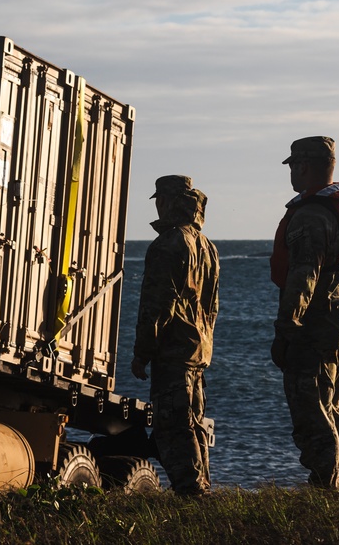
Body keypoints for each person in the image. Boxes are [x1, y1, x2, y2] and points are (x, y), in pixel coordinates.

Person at [269, 136, 339, 489]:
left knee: (312, 412)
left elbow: (303, 279)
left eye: (295, 165)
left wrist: (286, 331)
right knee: (336, 410)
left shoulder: (310, 215)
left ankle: (326, 485)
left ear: (306, 166)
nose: (292, 173)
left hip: (317, 330)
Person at [131, 174, 219, 496]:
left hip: (173, 353)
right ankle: (201, 489)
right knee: (193, 425)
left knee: (173, 428)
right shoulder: (207, 247)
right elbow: (211, 307)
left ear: (167, 202)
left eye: (158, 200)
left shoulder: (169, 244)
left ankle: (190, 494)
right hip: (197, 351)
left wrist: (142, 352)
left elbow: (157, 306)